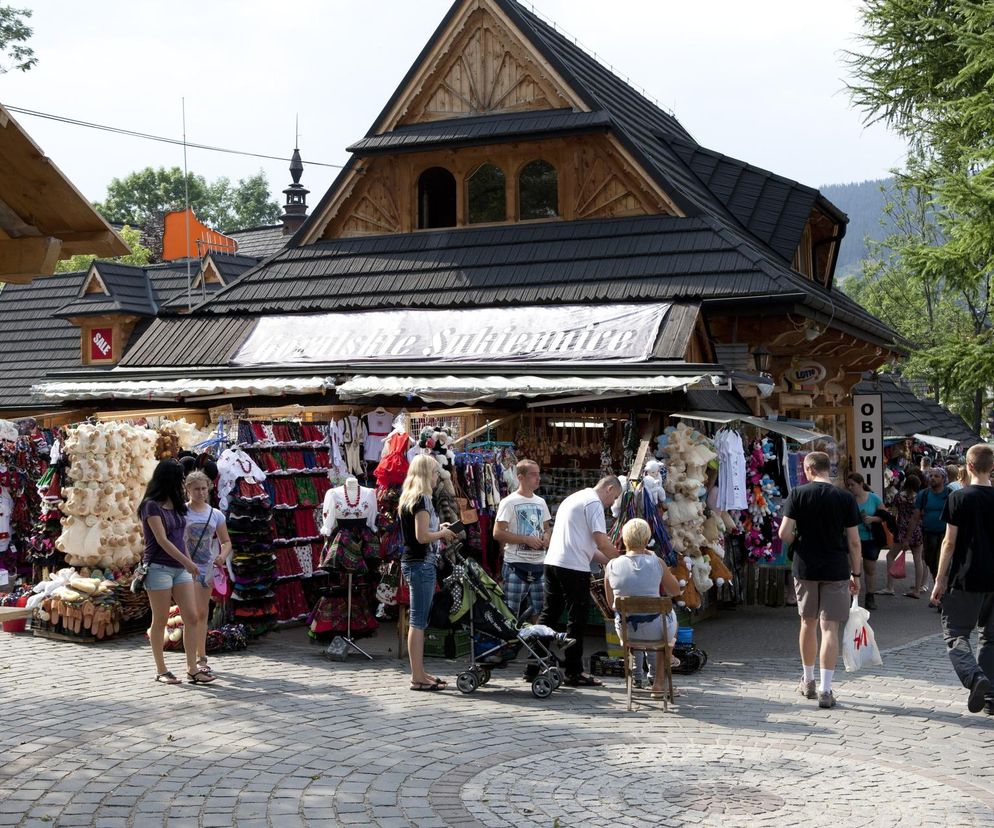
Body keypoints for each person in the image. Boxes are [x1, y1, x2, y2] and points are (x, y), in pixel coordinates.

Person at [778, 451, 861, 709]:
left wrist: (799, 543)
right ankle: (826, 689)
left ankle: (809, 681)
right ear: (829, 469)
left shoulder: (798, 494)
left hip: (805, 566)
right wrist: (856, 573)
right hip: (835, 567)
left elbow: (784, 533)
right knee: (830, 628)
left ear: (808, 469)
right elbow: (854, 541)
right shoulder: (845, 498)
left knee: (807, 622)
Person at [537, 476, 623, 687]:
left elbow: (588, 547)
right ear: (609, 488)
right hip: (573, 567)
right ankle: (574, 671)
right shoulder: (593, 502)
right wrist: (623, 560)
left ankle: (534, 664)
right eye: (615, 497)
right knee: (576, 619)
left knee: (549, 615)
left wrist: (611, 560)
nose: (613, 503)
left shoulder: (574, 498)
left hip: (553, 563)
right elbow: (601, 541)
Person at [931, 443, 994, 715]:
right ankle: (991, 698)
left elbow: (948, 542)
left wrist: (939, 578)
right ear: (992, 467)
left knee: (955, 634)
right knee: (991, 638)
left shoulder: (958, 498)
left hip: (965, 576)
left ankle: (975, 677)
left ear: (967, 466)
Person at [140, 460, 214, 685]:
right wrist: (188, 563)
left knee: (191, 617)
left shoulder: (178, 505)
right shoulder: (151, 505)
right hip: (158, 567)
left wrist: (189, 562)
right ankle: (161, 669)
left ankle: (192, 669)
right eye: (180, 478)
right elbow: (162, 540)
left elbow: (181, 539)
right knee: (160, 619)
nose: (183, 483)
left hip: (180, 568)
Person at [603, 518, 681, 699]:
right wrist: (654, 560)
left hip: (627, 631)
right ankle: (659, 683)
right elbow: (675, 590)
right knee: (669, 625)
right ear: (647, 540)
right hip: (656, 631)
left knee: (660, 626)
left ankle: (639, 678)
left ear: (624, 539)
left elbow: (611, 603)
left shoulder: (612, 565)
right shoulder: (657, 562)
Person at [399, 454, 456, 692]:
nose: (437, 476)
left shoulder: (410, 498)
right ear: (426, 474)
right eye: (434, 472)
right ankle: (417, 676)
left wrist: (438, 528)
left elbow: (419, 533)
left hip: (416, 562)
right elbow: (422, 537)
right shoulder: (422, 499)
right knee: (418, 622)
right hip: (421, 563)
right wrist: (441, 534)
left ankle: (420, 672)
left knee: (418, 620)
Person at [184, 471, 231, 677]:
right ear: (188, 490)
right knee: (192, 614)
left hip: (207, 567)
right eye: (196, 489)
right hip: (187, 568)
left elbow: (226, 541)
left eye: (203, 488)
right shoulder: (182, 513)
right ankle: (192, 659)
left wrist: (222, 556)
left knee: (203, 613)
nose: (201, 492)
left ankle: (201, 656)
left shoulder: (215, 514)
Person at [494, 459, 552, 623]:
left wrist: (547, 537)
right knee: (510, 613)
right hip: (515, 565)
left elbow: (547, 527)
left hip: (539, 565)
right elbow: (497, 533)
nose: (538, 478)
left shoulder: (541, 502)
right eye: (533, 474)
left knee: (540, 612)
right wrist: (525, 539)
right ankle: (509, 647)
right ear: (520, 477)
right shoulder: (509, 502)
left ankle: (537, 646)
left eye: (538, 474)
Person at [907, 467, 952, 607]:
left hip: (946, 534)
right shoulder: (924, 494)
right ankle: (940, 592)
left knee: (942, 564)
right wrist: (907, 537)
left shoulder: (950, 494)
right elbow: (915, 517)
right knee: (932, 564)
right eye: (930, 475)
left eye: (936, 476)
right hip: (928, 534)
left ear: (943, 479)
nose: (932, 478)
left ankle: (943, 597)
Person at [845, 472, 883, 609]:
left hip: (870, 538)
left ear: (861, 484)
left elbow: (884, 516)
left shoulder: (874, 498)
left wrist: (872, 519)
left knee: (870, 569)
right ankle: (851, 597)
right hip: (851, 538)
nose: (850, 487)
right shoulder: (848, 499)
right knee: (851, 568)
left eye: (852, 485)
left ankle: (870, 596)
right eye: (848, 485)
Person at [889, 474, 925, 599]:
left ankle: (890, 586)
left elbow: (893, 512)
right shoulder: (920, 498)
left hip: (902, 530)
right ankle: (917, 588)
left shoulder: (899, 497)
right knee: (918, 559)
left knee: (890, 556)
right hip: (917, 530)